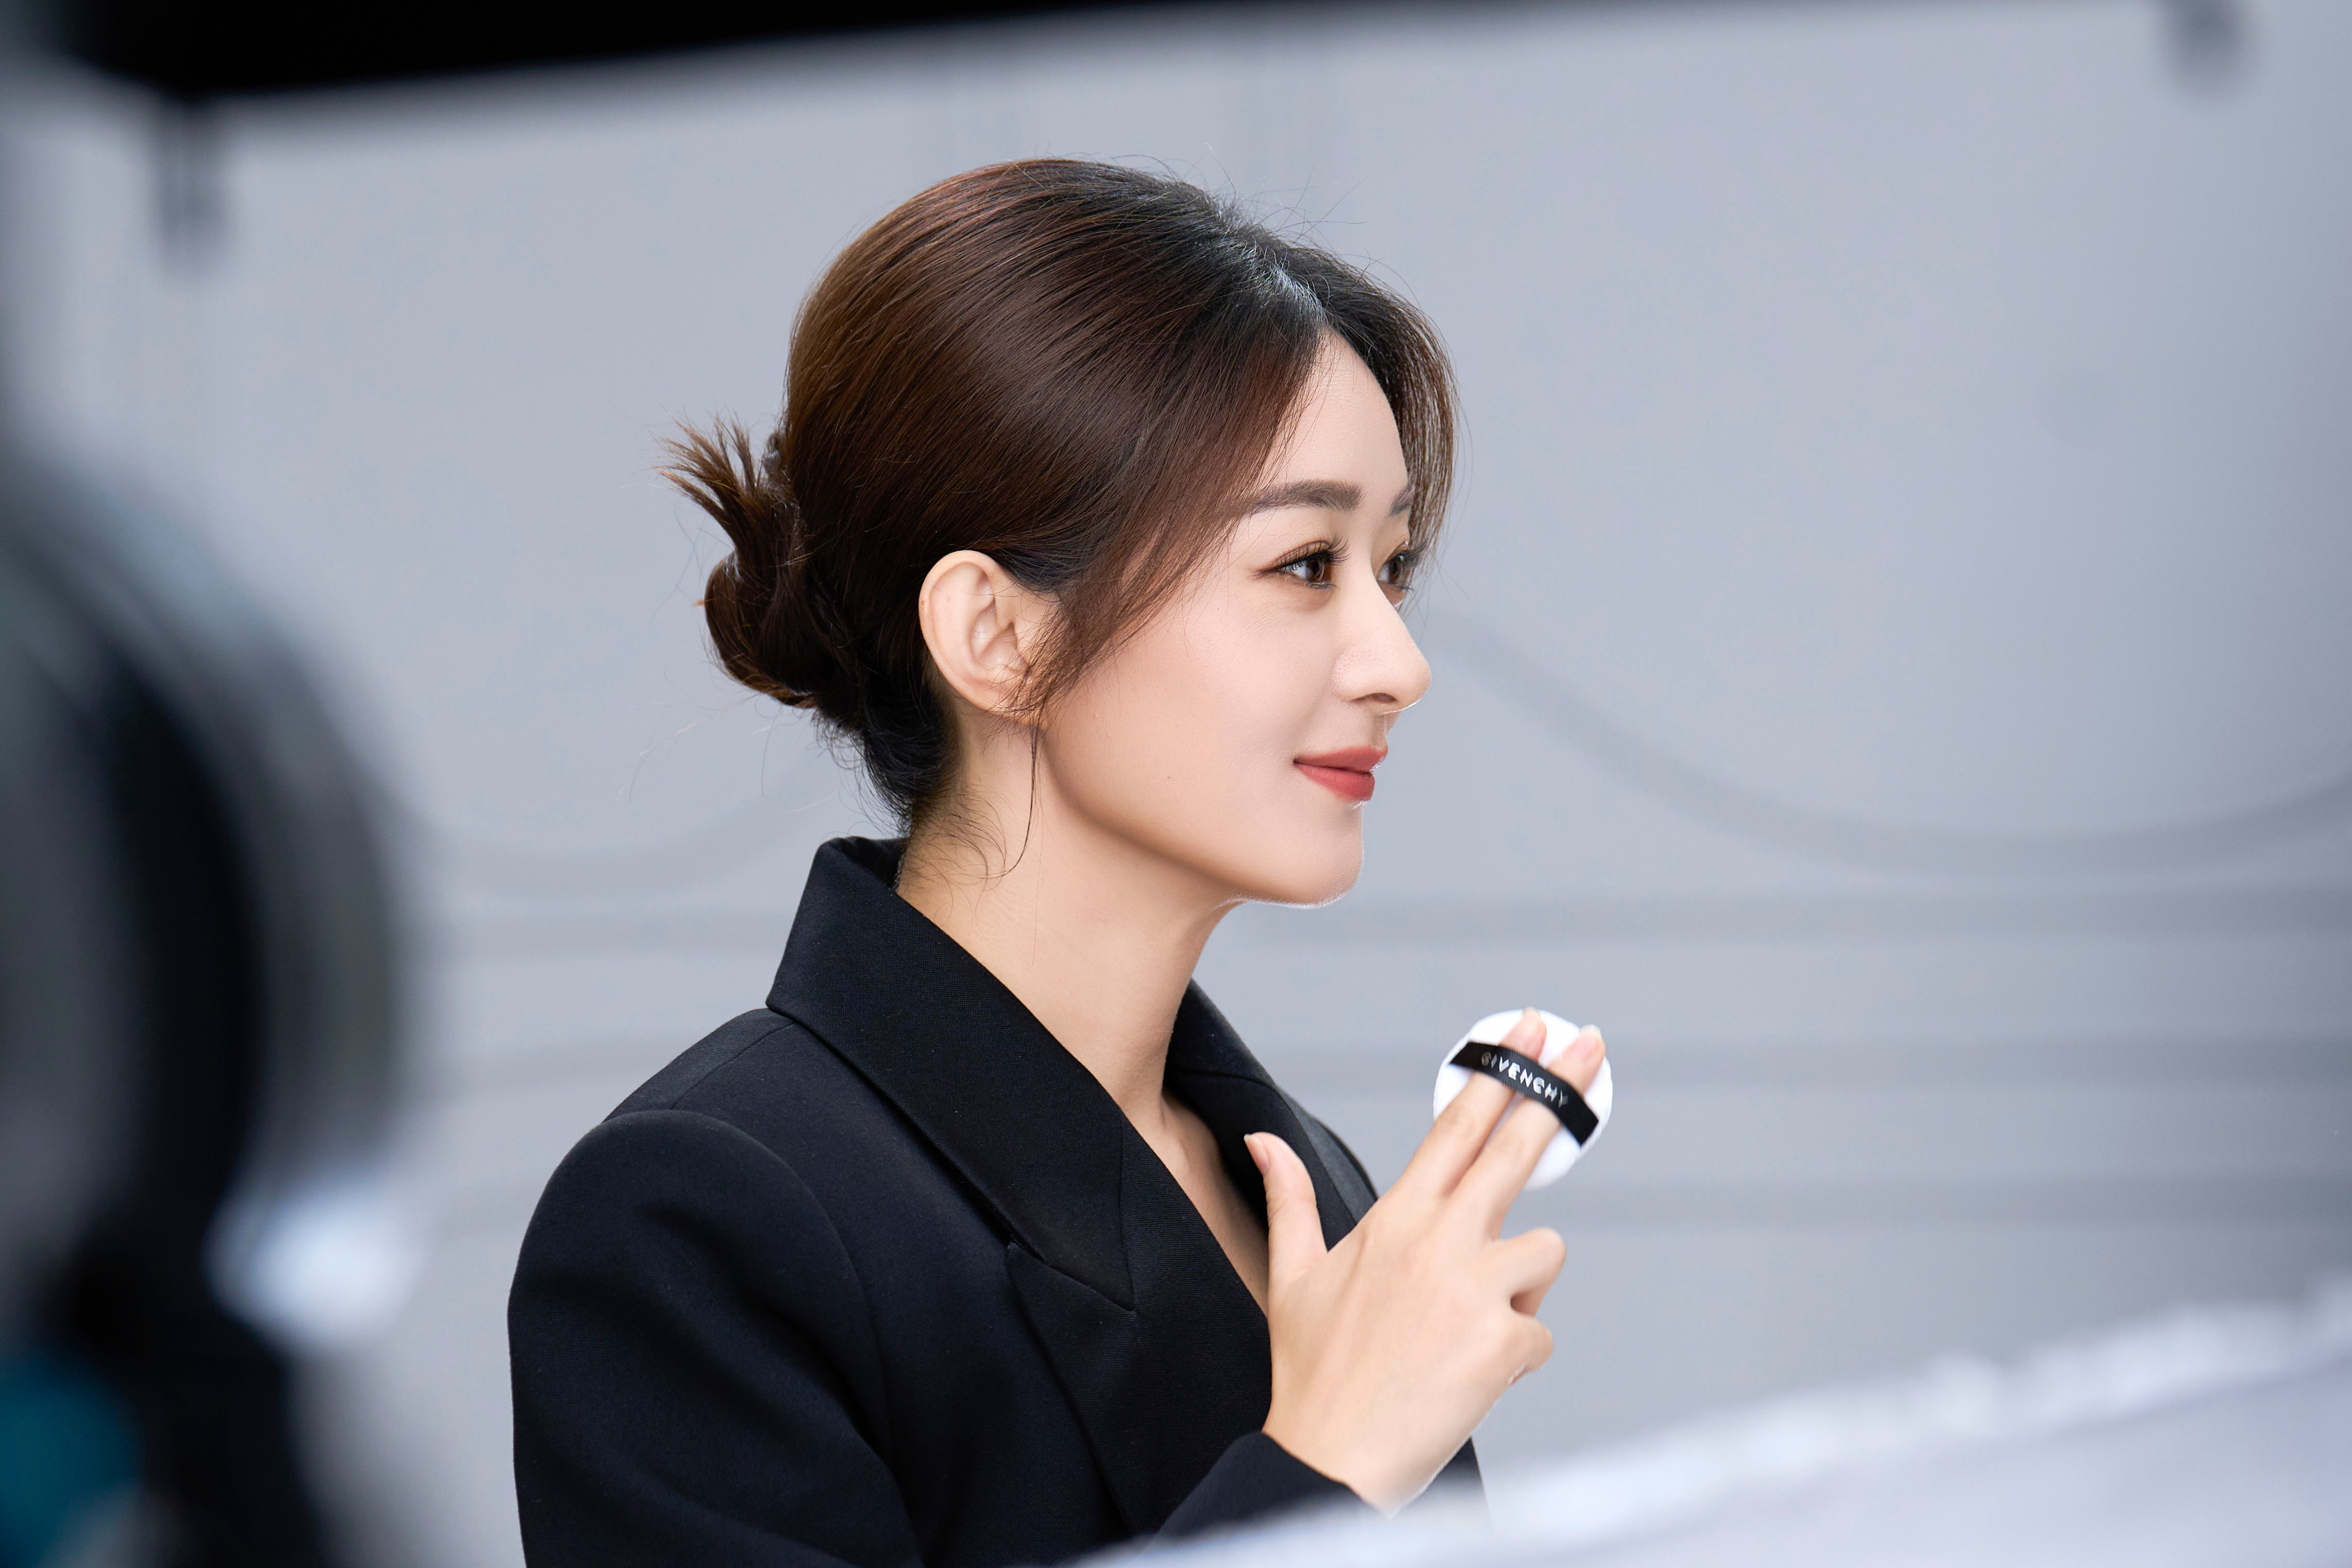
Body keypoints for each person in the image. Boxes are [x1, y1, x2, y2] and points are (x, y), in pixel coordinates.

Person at [506, 159, 1607, 1568]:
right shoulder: (705, 1219)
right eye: (1304, 565)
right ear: (999, 636)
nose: (1400, 662)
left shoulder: (1308, 1182)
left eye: (1389, 566)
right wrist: (1322, 1468)